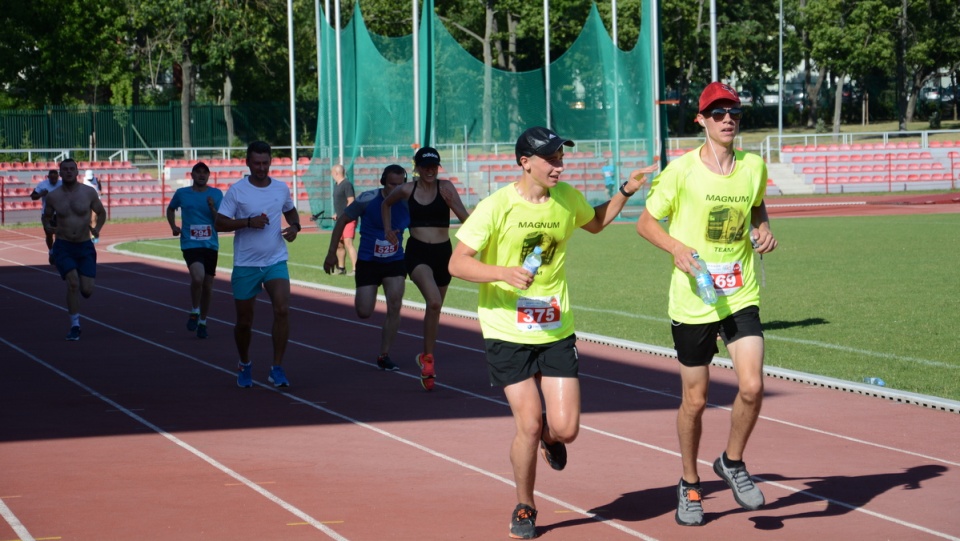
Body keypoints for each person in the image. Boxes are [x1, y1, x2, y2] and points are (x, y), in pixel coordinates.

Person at [448, 126, 654, 539]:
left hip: (556, 327)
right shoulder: (496, 207)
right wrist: (502, 273)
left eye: (562, 157)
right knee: (525, 424)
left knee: (566, 430)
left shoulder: (566, 199)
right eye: (551, 158)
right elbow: (457, 263)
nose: (560, 165)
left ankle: (549, 435)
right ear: (526, 162)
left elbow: (595, 222)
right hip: (507, 329)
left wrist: (626, 190)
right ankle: (525, 505)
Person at [634, 81, 778, 527]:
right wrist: (676, 248)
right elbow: (644, 222)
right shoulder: (680, 171)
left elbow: (756, 207)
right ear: (701, 120)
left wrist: (764, 227)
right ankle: (690, 481)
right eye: (717, 113)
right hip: (693, 299)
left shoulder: (753, 166)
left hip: (739, 293)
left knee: (752, 386)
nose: (727, 119)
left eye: (733, 111)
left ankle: (732, 462)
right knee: (694, 402)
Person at [381, 146, 469, 391]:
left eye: (433, 167)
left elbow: (468, 221)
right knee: (433, 302)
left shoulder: (447, 188)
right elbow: (385, 203)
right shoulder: (408, 189)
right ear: (417, 168)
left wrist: (454, 206)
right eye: (425, 167)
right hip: (418, 251)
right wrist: (388, 229)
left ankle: (426, 357)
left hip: (443, 253)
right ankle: (429, 361)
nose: (430, 171)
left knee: (436, 309)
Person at [215, 141, 302, 389]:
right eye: (257, 163)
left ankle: (277, 367)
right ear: (247, 163)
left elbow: (292, 212)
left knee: (282, 310)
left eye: (265, 163)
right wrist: (247, 222)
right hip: (246, 264)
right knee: (244, 322)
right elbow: (219, 222)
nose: (261, 168)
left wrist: (294, 228)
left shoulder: (281, 188)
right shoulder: (237, 191)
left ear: (271, 161)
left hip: (275, 260)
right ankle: (244, 363)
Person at [324, 165, 411, 371]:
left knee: (395, 303)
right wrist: (330, 253)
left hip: (395, 261)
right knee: (364, 311)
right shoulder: (367, 199)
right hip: (368, 262)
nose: (396, 189)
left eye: (400, 185)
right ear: (382, 181)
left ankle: (384, 354)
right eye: (392, 184)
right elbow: (343, 220)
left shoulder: (409, 202)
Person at [41, 158, 107, 341]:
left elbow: (101, 212)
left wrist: (97, 229)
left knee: (87, 290)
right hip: (63, 245)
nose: (69, 172)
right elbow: (46, 217)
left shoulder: (89, 192)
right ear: (60, 173)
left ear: (77, 172)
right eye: (65, 169)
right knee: (73, 283)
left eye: (72, 169)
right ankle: (75, 325)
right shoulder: (53, 196)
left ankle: (79, 278)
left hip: (85, 245)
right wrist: (48, 227)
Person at [166, 162, 224, 339]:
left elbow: (220, 221)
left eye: (204, 173)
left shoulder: (216, 194)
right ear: (191, 175)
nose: (201, 175)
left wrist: (213, 207)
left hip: (210, 244)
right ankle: (194, 309)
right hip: (190, 243)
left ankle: (203, 321)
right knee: (197, 277)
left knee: (208, 285)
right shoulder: (182, 193)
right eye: (198, 172)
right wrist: (174, 226)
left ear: (208, 176)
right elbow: (170, 209)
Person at [331, 164, 359, 275]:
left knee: (348, 243)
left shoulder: (347, 184)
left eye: (332, 173)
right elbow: (340, 203)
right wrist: (336, 213)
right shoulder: (336, 185)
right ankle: (341, 268)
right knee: (339, 244)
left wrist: (344, 214)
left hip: (348, 218)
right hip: (340, 219)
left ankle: (356, 269)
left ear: (336, 173)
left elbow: (351, 200)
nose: (332, 175)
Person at [30, 169, 61, 263]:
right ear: (48, 177)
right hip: (47, 214)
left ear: (58, 177)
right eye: (51, 179)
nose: (53, 180)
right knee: (49, 234)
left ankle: (57, 252)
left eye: (55, 178)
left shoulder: (62, 184)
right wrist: (40, 194)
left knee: (60, 234)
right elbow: (33, 196)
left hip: (60, 213)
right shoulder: (42, 185)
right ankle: (51, 251)